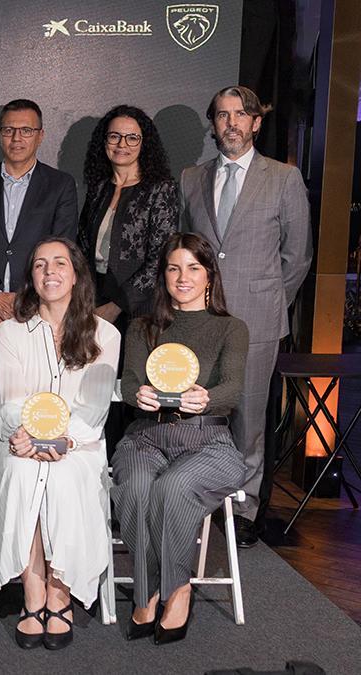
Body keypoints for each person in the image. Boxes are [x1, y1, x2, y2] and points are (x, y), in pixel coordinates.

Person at [179, 85, 312, 547]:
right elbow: (187, 251)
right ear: (213, 124)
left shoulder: (283, 178)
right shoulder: (191, 178)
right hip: (203, 321)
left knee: (248, 420)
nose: (231, 122)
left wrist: (270, 299)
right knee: (199, 412)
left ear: (256, 122)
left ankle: (243, 510)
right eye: (222, 115)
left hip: (258, 321)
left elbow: (297, 258)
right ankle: (196, 501)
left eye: (240, 114)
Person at [112, 232, 248, 645]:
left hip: (207, 440)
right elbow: (133, 380)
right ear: (163, 275)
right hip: (147, 437)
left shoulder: (231, 328)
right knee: (136, 486)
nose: (183, 277)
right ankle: (150, 587)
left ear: (210, 276)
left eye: (193, 268)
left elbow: (232, 389)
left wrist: (207, 399)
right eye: (173, 268)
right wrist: (139, 394)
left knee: (172, 487)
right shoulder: (141, 327)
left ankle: (175, 588)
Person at [0, 237, 119, 651]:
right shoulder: (9, 331)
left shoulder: (105, 334)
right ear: (31, 278)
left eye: (60, 263)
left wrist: (60, 440)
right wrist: (29, 438)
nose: (50, 272)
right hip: (15, 438)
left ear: (76, 275)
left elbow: (93, 409)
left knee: (63, 478)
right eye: (40, 265)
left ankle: (61, 595)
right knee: (25, 472)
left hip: (79, 441)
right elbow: (9, 402)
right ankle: (33, 595)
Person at [0, 99, 78, 332]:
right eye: (9, 130)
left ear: (40, 135)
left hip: (38, 312)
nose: (16, 138)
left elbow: (61, 253)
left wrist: (21, 304)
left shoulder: (60, 185)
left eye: (26, 130)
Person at [76, 105, 179, 335]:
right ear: (104, 142)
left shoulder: (160, 189)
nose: (122, 144)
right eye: (115, 136)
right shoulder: (98, 188)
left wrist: (117, 306)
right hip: (93, 302)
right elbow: (82, 247)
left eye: (132, 138)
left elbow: (160, 257)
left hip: (140, 309)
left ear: (144, 144)